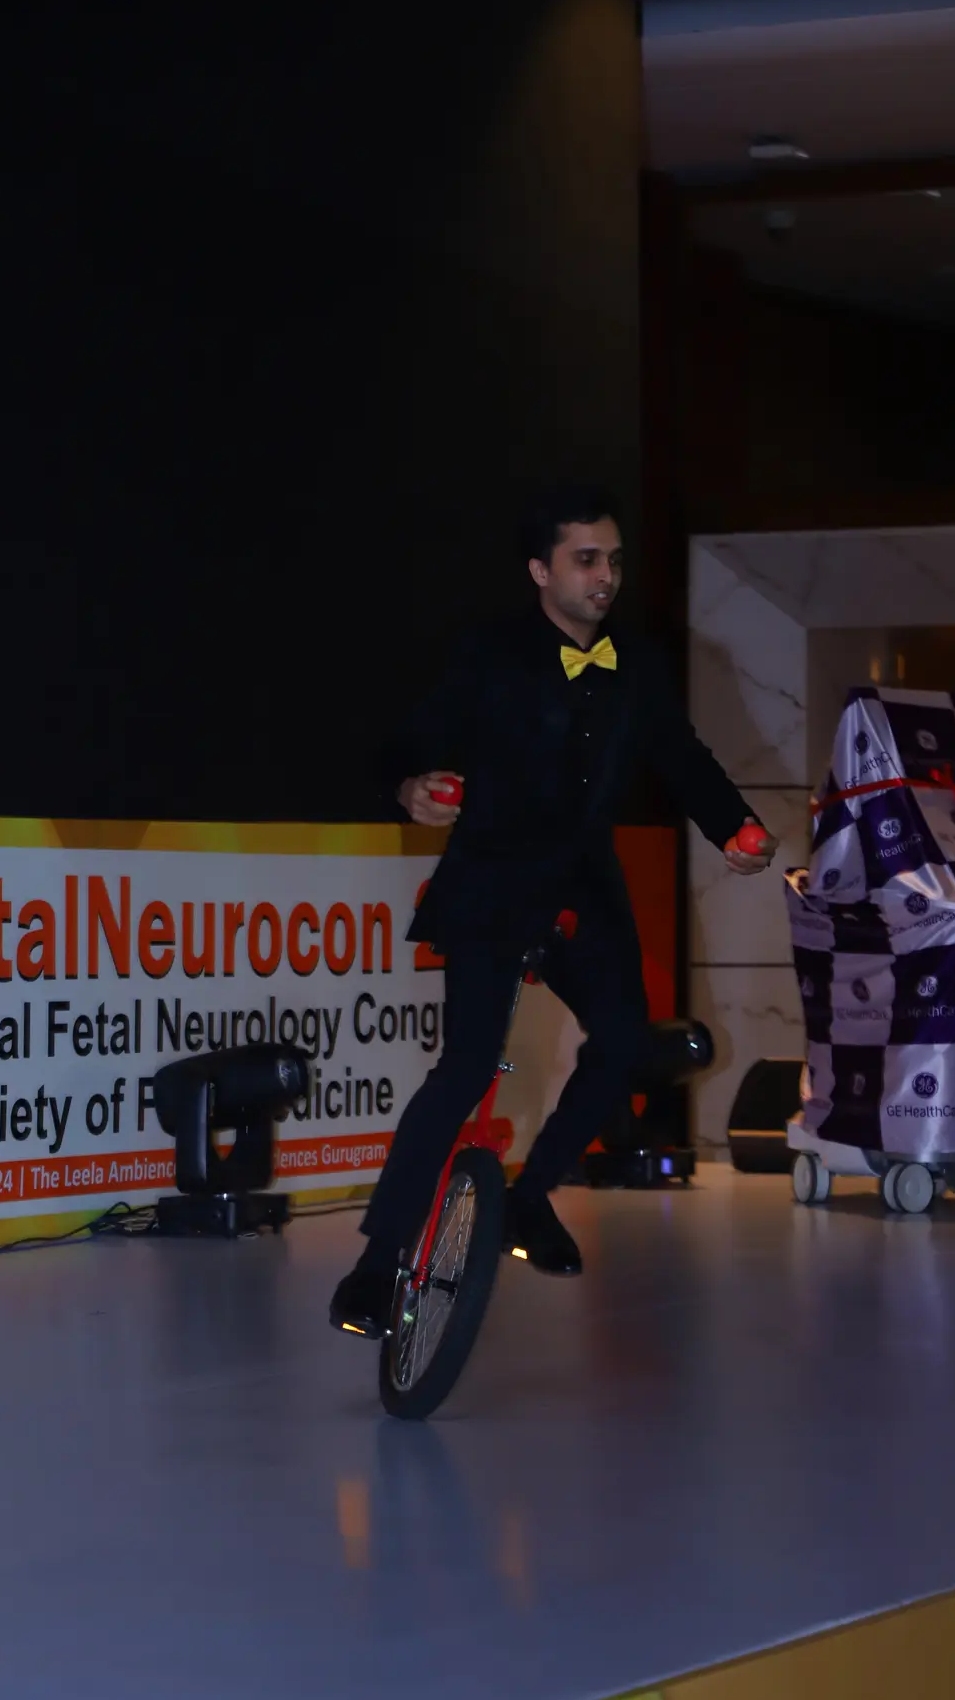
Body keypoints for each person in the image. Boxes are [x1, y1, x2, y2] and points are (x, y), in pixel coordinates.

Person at [330, 486, 777, 1335]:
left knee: (624, 1045)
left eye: (614, 561)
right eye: (586, 560)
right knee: (466, 1069)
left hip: (584, 884)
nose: (606, 576)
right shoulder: (491, 652)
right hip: (495, 880)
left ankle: (528, 1200)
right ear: (541, 571)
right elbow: (408, 740)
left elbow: (679, 754)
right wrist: (410, 787)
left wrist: (734, 826)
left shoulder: (635, 661)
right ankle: (375, 1267)